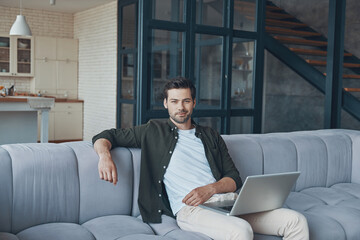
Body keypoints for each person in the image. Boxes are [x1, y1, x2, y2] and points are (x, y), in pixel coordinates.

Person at [92, 77, 309, 240]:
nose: (181, 107)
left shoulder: (210, 135)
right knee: (241, 230)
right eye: (175, 101)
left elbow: (234, 178)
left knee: (296, 221)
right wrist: (104, 156)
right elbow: (105, 136)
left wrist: (211, 189)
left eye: (186, 101)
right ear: (166, 103)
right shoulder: (152, 131)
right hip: (190, 209)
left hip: (226, 201)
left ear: (194, 102)